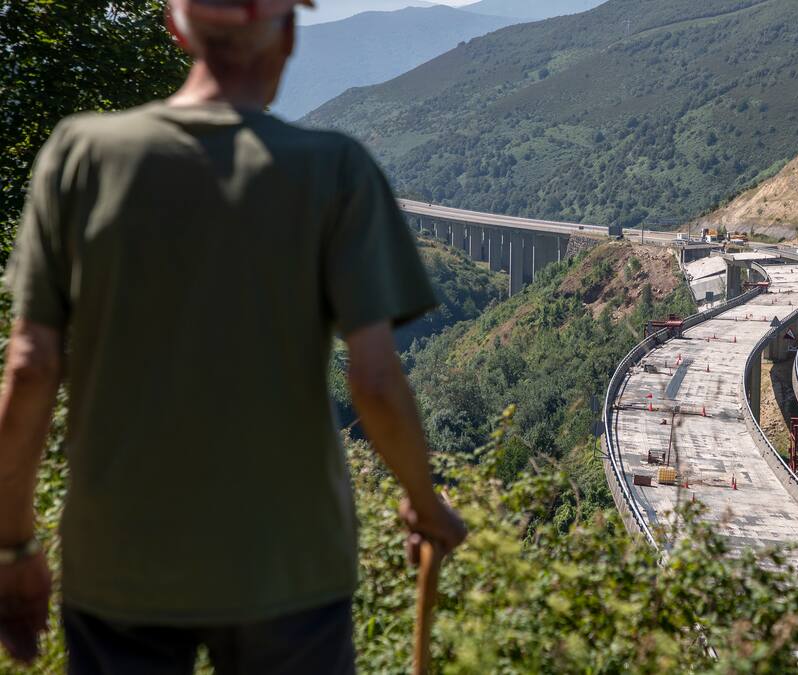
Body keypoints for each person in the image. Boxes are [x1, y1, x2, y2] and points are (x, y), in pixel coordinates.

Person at [0, 0, 466, 672]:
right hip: (290, 569)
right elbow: (374, 380)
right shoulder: (334, 168)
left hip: (118, 565)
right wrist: (427, 507)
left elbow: (30, 368)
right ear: (285, 34)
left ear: (175, 27)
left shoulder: (81, 155)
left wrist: (13, 550)